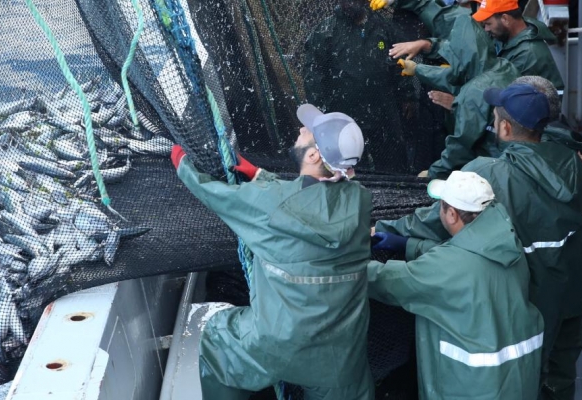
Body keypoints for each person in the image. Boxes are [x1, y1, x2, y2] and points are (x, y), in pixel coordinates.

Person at [374, 81, 582, 400]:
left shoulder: (492, 173)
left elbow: (435, 219)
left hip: (529, 307)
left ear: (505, 127)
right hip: (573, 298)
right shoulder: (571, 164)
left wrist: (382, 231)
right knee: (560, 379)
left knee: (529, 380)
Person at [171, 104, 374, 399]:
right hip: (340, 356)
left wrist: (183, 164)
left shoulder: (269, 203)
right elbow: (313, 197)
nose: (301, 130)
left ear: (314, 155)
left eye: (308, 131)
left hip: (277, 346)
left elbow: (215, 195)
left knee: (213, 343)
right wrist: (260, 175)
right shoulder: (360, 201)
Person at [369, 171, 543, 399]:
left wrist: (340, 264)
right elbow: (464, 258)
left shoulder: (449, 266)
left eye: (440, 206)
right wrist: (409, 245)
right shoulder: (508, 245)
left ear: (451, 214)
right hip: (516, 381)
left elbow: (385, 281)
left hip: (469, 386)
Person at [396, 16, 518, 178]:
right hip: (519, 155)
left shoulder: (474, 92)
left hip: (497, 165)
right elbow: (458, 76)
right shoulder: (502, 66)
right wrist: (419, 70)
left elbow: (461, 145)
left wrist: (434, 172)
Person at [303, 0, 416, 173]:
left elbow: (400, 62)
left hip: (384, 112)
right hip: (344, 115)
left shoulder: (382, 27)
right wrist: (320, 113)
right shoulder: (327, 31)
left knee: (394, 168)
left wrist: (407, 95)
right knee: (351, 169)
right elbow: (313, 75)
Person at [473, 0, 565, 93]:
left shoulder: (528, 53)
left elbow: (502, 91)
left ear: (505, 19)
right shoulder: (507, 35)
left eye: (488, 24)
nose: (486, 29)